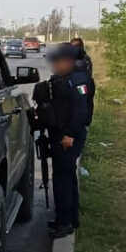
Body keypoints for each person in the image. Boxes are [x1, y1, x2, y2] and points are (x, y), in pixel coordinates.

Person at [45, 43, 92, 238]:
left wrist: (70, 134)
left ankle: (65, 223)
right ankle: (70, 218)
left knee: (63, 179)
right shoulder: (66, 78)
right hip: (62, 134)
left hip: (69, 135)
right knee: (66, 176)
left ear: (69, 61)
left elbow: (81, 110)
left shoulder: (79, 80)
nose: (55, 66)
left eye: (58, 62)